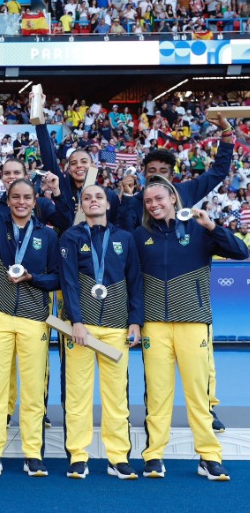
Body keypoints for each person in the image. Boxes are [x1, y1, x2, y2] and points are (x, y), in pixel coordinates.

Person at [116, 114, 235, 432]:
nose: (157, 178)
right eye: (151, 173)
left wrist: (225, 133)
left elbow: (219, 171)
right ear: (143, 175)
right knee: (156, 371)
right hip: (153, 300)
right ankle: (153, 415)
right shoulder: (136, 203)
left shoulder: (187, 192)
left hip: (190, 305)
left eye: (163, 173)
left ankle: (209, 410)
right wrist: (127, 199)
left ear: (173, 180)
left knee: (203, 365)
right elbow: (124, 237)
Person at [133, 175, 248, 481]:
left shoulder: (199, 230)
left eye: (160, 198)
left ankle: (208, 456)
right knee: (157, 395)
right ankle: (153, 456)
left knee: (198, 395)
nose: (154, 205)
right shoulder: (139, 236)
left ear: (173, 198)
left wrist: (212, 227)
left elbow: (240, 251)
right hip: (154, 326)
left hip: (193, 323)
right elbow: (133, 283)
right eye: (148, 201)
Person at [0, 150, 61, 477]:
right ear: (7, 200)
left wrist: (33, 278)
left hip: (35, 318)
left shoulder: (47, 236)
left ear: (36, 201)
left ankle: (33, 453)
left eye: (27, 198)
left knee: (33, 390)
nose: (21, 202)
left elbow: (56, 278)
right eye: (15, 197)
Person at [60, 184, 143, 480]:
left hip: (116, 328)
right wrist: (76, 321)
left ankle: (118, 457)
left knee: (116, 397)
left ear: (108, 204)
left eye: (98, 197)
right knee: (78, 396)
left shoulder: (124, 239)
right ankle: (78, 457)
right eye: (87, 198)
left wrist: (135, 321)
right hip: (81, 330)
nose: (93, 201)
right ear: (81, 206)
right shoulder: (70, 237)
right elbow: (68, 282)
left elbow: (134, 281)